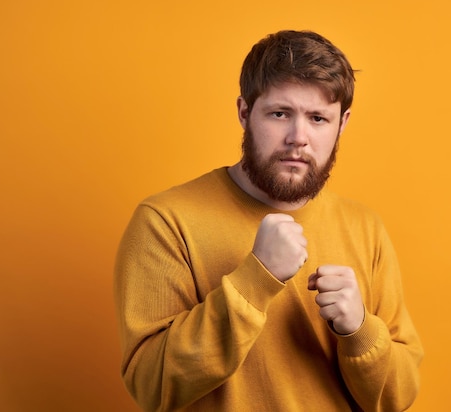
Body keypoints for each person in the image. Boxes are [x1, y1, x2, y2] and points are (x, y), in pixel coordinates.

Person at [114, 29, 423, 411]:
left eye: (318, 119)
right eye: (280, 114)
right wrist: (256, 280)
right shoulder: (165, 222)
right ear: (245, 112)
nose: (299, 137)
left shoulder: (365, 228)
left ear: (342, 124)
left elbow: (400, 396)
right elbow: (152, 385)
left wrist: (359, 330)